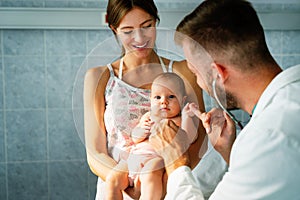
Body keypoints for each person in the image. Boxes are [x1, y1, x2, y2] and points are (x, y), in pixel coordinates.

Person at [148, 0, 300, 199]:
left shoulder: (270, 137)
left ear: (217, 74)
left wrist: (175, 160)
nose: (199, 83)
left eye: (195, 73)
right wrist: (230, 152)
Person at [84, 0, 225, 199]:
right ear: (114, 29)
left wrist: (163, 180)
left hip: (167, 185)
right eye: (127, 31)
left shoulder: (181, 71)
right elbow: (94, 153)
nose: (140, 38)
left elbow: (197, 141)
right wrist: (128, 182)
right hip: (119, 185)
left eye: (147, 26)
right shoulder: (99, 77)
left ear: (156, 21)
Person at [109, 72, 199, 200]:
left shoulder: (179, 120)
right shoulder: (149, 116)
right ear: (150, 100)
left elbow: (188, 138)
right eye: (157, 97)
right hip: (134, 158)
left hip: (156, 159)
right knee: (113, 179)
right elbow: (135, 138)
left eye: (171, 96)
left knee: (150, 175)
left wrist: (188, 117)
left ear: (182, 100)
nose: (164, 102)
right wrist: (142, 130)